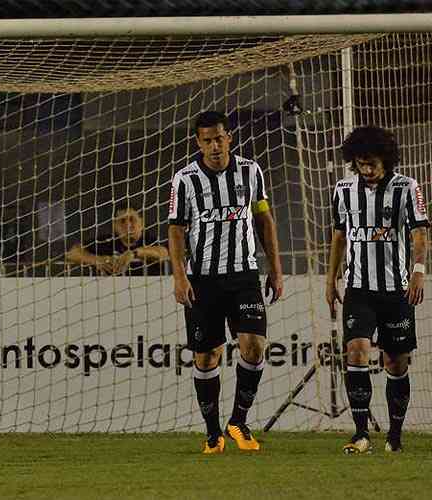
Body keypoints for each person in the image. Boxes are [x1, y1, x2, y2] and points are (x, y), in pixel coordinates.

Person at [168, 111, 283, 454]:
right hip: (202, 278)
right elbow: (175, 229)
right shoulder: (185, 179)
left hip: (244, 274)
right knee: (206, 357)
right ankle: (213, 432)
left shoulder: (251, 171)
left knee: (255, 345)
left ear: (229, 137)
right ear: (198, 143)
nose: (215, 146)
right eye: (207, 140)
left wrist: (275, 269)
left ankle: (239, 421)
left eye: (219, 138)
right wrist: (178, 275)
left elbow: (264, 218)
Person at [326, 125, 429, 454]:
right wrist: (330, 280)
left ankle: (395, 437)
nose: (366, 170)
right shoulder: (343, 189)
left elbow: (419, 234)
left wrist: (418, 271)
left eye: (372, 163)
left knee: (395, 363)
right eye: (360, 164)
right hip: (358, 289)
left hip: (396, 291)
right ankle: (360, 434)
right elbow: (339, 236)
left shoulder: (407, 188)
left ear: (387, 159)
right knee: (355, 351)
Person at [66, 208, 169, 276]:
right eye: (122, 221)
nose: (128, 225)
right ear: (115, 226)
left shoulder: (150, 240)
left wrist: (133, 254)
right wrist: (96, 260)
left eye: (132, 219)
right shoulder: (107, 242)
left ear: (141, 223)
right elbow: (72, 253)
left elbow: (164, 253)